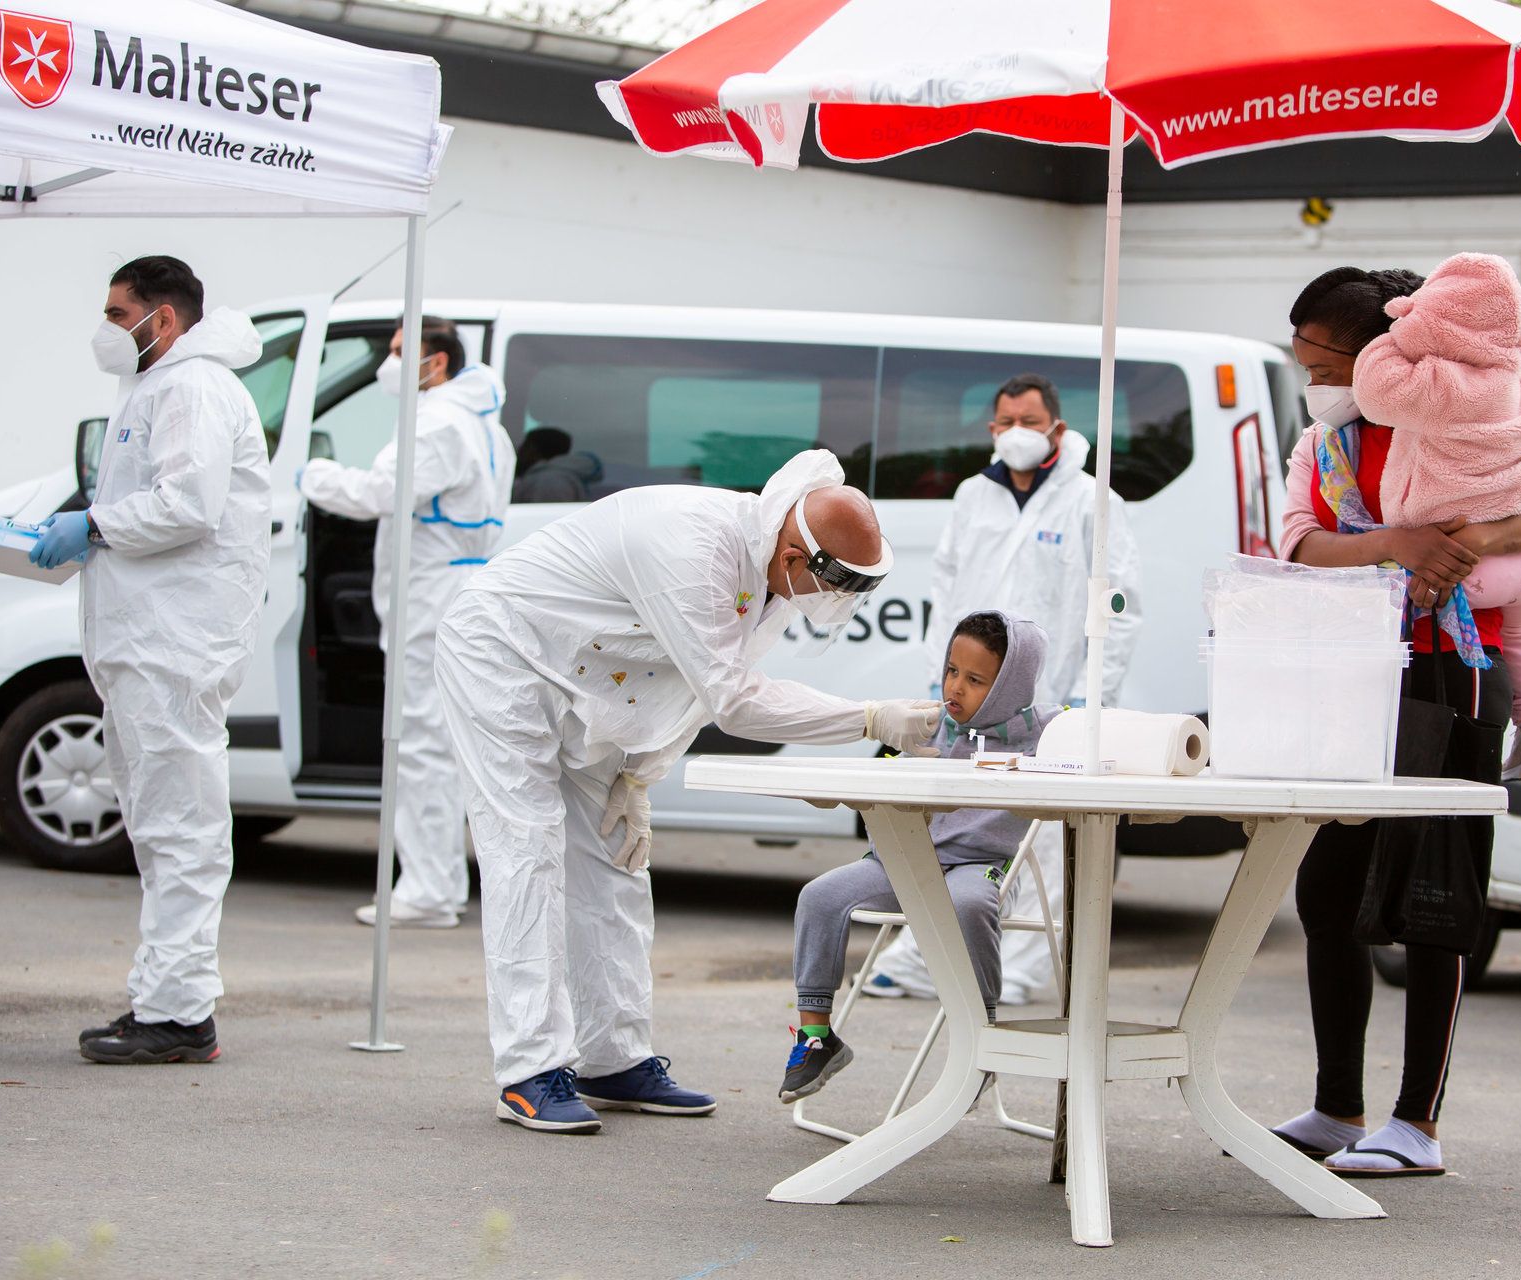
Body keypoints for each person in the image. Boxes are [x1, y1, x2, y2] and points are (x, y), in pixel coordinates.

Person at [436, 450, 943, 1134]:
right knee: (526, 852)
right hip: (501, 652)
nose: (844, 595)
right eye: (842, 579)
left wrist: (638, 777)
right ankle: (528, 1071)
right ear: (796, 552)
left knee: (615, 862)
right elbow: (732, 700)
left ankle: (614, 1059)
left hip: (583, 674)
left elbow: (685, 688)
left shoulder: (770, 576)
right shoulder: (698, 548)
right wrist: (870, 718)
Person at [1276, 265, 1521, 1177]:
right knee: (1328, 892)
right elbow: (1296, 541)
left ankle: (1417, 1123)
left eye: (1323, 362)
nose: (1313, 380)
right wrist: (1396, 545)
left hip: (1461, 671)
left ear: (1384, 351)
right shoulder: (1326, 444)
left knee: (1437, 894)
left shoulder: (1489, 412)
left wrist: (1475, 543)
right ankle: (1338, 1106)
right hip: (1356, 675)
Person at [31, 256, 270, 1065]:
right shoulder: (158, 386)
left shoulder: (192, 387)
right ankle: (164, 999)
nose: (106, 329)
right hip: (153, 639)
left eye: (116, 312)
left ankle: (179, 1014)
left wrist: (95, 525)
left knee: (181, 828)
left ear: (161, 318)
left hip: (176, 640)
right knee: (161, 824)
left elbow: (188, 506)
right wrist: (93, 521)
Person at [868, 373, 1143, 1006]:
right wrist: (939, 676)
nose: (1017, 432)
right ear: (992, 429)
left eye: (1030, 421)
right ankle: (921, 958)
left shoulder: (1091, 501)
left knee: (1038, 834)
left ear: (1057, 428)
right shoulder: (974, 495)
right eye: (1006, 422)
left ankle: (1016, 969)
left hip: (1051, 698)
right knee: (950, 821)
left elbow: (1120, 605)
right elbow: (945, 585)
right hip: (969, 694)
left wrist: (1091, 696)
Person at [780, 610, 1059, 1102]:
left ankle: (982, 1038)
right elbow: (884, 774)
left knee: (967, 904)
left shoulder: (1044, 732)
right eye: (952, 671)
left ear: (1009, 687)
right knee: (819, 897)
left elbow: (1105, 735)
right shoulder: (927, 724)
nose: (956, 688)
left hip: (980, 865)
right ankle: (816, 1037)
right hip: (903, 861)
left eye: (976, 681)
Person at [1351, 252, 1521, 780]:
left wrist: (1407, 326)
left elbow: (1372, 389)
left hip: (1454, 564)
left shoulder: (1436, 383)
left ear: (1435, 319)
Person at [300, 318, 515, 928]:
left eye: (400, 351)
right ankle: (436, 884)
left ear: (437, 362)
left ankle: (428, 891)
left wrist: (308, 473)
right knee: (440, 744)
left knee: (421, 744)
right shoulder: (484, 424)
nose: (388, 363)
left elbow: (378, 494)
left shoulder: (437, 422)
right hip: (460, 589)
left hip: (433, 596)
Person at [512, 427, 597, 504]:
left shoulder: (549, 481)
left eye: (524, 447)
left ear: (532, 450)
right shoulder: (553, 478)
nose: (518, 452)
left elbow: (546, 514)